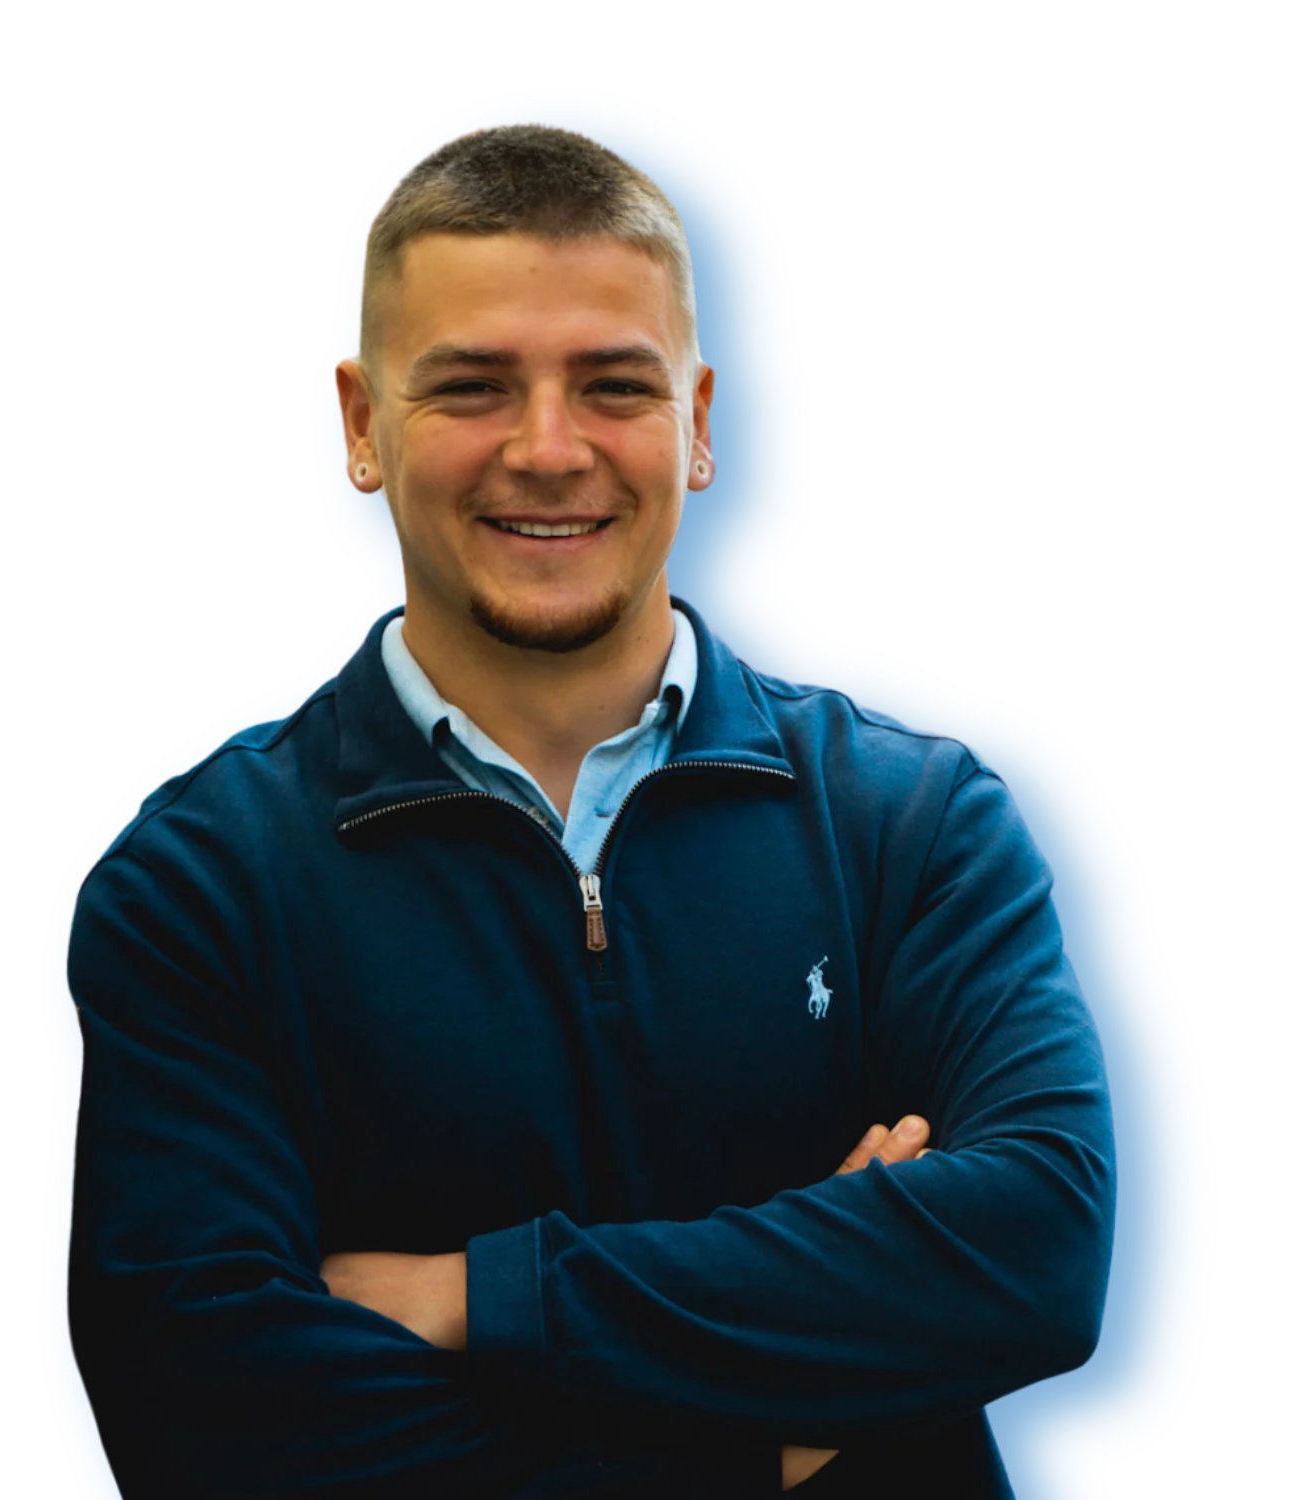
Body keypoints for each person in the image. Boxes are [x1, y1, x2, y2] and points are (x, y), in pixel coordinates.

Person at [63, 122, 1117, 1498]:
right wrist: (778, 1436)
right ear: (363, 428)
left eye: (615, 385)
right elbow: (208, 1417)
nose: (550, 450)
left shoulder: (912, 824)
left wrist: (473, 1298)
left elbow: (1038, 1249)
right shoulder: (198, 884)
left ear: (699, 423)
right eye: (473, 388)